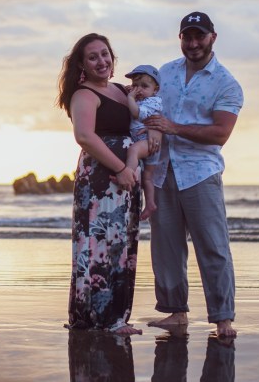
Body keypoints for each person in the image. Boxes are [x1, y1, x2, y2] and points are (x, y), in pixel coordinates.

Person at [144, 11, 243, 339]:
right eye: (188, 36)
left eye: (199, 36)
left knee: (213, 247)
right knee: (166, 247)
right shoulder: (165, 73)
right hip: (161, 171)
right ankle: (176, 312)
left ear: (212, 37)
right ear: (181, 39)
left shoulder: (226, 83)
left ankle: (223, 318)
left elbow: (219, 134)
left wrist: (173, 127)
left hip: (201, 174)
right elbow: (147, 108)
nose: (193, 43)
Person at [57, 33, 150, 335]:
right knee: (99, 244)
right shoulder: (83, 94)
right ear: (82, 65)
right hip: (102, 178)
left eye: (105, 54)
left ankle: (116, 316)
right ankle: (100, 318)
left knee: (121, 244)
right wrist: (122, 167)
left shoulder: (124, 91)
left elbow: (149, 117)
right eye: (93, 56)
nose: (102, 61)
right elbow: (85, 136)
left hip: (126, 177)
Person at [123, 64, 163, 221]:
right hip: (146, 142)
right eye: (135, 86)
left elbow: (137, 113)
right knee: (147, 177)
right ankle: (150, 203)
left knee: (133, 151)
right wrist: (130, 92)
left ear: (155, 89)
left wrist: (130, 97)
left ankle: (128, 174)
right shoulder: (141, 98)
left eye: (144, 86)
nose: (138, 90)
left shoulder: (153, 101)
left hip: (147, 141)